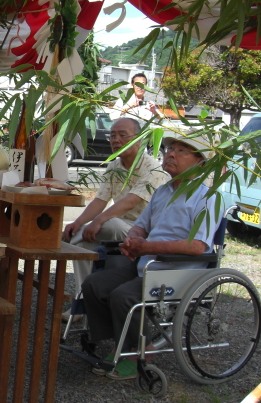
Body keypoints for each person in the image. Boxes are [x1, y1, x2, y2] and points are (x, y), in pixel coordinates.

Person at [81, 133, 219, 380]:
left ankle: (139, 351)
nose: (171, 154)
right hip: (149, 263)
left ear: (200, 162)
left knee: (123, 296)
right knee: (94, 284)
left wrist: (147, 247)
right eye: (170, 149)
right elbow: (141, 226)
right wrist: (132, 240)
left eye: (181, 151)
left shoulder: (208, 197)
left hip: (177, 271)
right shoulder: (163, 191)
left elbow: (198, 246)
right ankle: (121, 342)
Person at [62, 117, 169, 322]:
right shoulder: (114, 166)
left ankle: (70, 240)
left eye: (122, 135)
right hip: (118, 227)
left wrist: (97, 221)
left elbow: (131, 201)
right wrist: (78, 222)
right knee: (81, 245)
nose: (116, 140)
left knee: (109, 224)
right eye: (112, 135)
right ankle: (82, 303)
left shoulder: (152, 168)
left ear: (138, 139)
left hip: (143, 233)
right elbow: (100, 200)